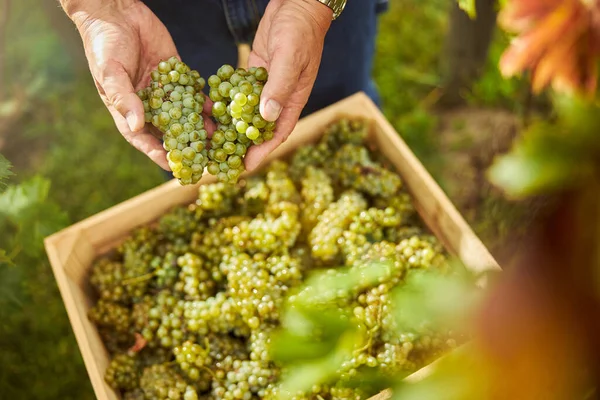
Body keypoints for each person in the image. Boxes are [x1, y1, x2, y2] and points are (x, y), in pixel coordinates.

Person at [58, 0, 387, 173]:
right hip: (161, 9)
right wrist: (97, 8)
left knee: (337, 113)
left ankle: (360, 176)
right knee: (186, 144)